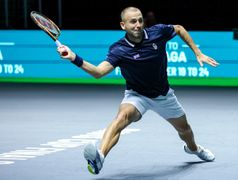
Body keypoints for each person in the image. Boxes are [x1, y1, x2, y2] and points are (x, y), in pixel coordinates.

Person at [57, 6, 219, 175]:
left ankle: (193, 149)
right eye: (132, 21)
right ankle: (100, 157)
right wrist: (74, 58)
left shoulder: (157, 33)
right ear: (123, 25)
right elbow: (99, 73)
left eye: (140, 20)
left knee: (184, 130)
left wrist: (198, 52)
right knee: (121, 117)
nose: (138, 24)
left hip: (163, 95)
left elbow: (178, 28)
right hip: (137, 95)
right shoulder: (118, 49)